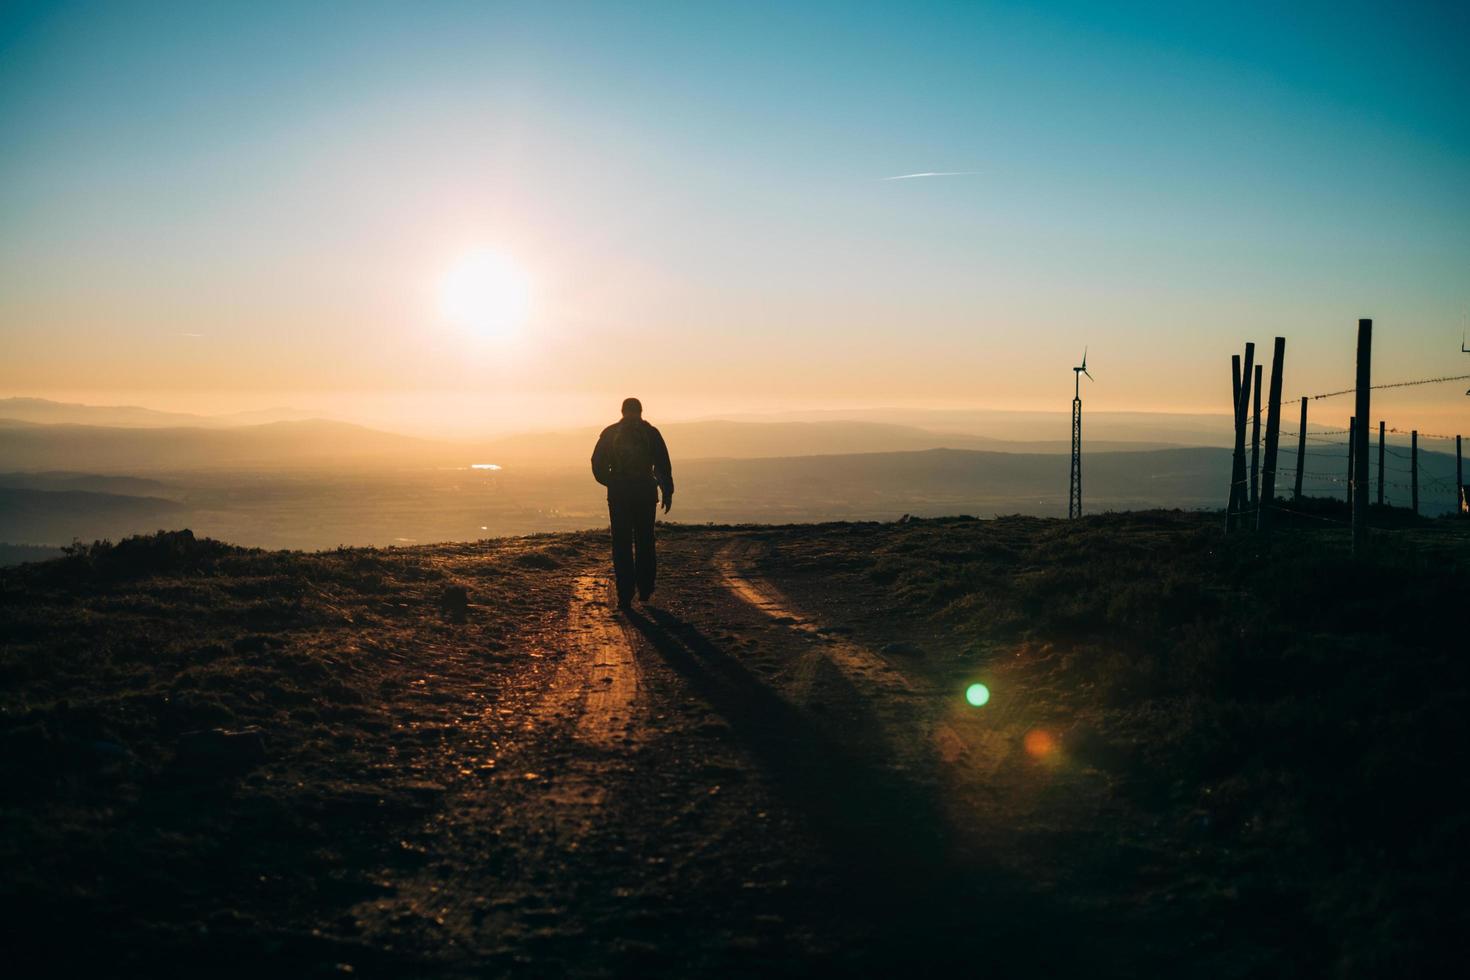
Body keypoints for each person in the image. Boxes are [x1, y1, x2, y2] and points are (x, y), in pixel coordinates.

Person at [590, 397, 674, 609]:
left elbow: (596, 463)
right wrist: (667, 491)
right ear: (640, 411)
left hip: (619, 494)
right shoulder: (651, 433)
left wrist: (611, 482)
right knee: (645, 540)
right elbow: (663, 464)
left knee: (621, 543)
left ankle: (624, 594)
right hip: (645, 492)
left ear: (622, 411)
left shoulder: (610, 433)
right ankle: (645, 588)